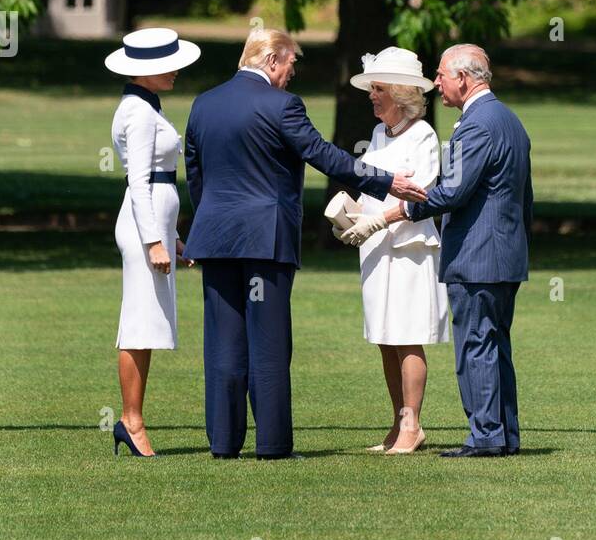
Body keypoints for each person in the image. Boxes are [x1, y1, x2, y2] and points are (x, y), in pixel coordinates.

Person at [181, 28, 427, 460]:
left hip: (216, 239)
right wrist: (389, 182)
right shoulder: (282, 106)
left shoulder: (204, 103)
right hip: (264, 239)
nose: (293, 73)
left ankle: (223, 442)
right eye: (292, 63)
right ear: (272, 59)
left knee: (223, 342)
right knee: (270, 342)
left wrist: (207, 226)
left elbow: (196, 173)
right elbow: (323, 155)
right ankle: (272, 444)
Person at [342, 44, 532, 458]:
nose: (438, 83)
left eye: (442, 75)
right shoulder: (507, 119)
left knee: (477, 346)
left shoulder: (476, 125)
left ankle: (486, 437)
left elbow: (451, 191)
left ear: (463, 77)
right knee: (494, 344)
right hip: (502, 252)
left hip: (479, 255)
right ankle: (502, 434)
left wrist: (398, 210)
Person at [342, 47, 449, 455]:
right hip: (374, 247)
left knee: (407, 334)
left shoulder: (422, 135)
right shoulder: (376, 134)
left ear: (401, 93)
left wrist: (379, 219)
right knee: (385, 335)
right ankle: (397, 421)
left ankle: (413, 424)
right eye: (372, 87)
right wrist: (353, 216)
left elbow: (420, 196)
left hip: (408, 247)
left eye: (379, 88)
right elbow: (372, 185)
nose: (371, 94)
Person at [105, 28, 201, 458]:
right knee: (138, 324)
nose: (177, 70)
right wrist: (154, 242)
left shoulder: (145, 106)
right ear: (146, 72)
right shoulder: (139, 113)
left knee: (147, 325)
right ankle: (131, 420)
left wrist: (173, 239)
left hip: (154, 224)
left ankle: (133, 418)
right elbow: (140, 183)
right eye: (168, 64)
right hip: (144, 226)